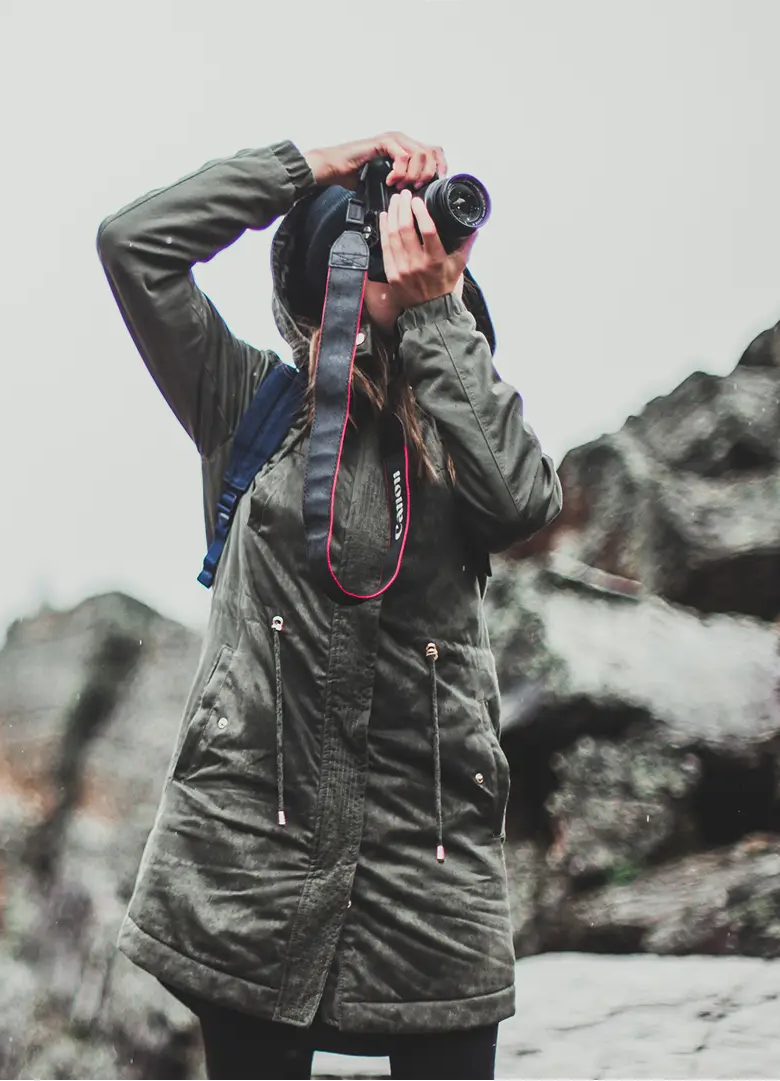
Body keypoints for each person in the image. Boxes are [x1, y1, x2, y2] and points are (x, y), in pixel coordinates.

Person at [95, 133, 563, 1081]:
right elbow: (134, 244)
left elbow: (523, 501)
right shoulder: (247, 406)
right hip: (253, 858)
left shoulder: (457, 423)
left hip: (427, 866)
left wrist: (435, 315)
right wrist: (310, 167)